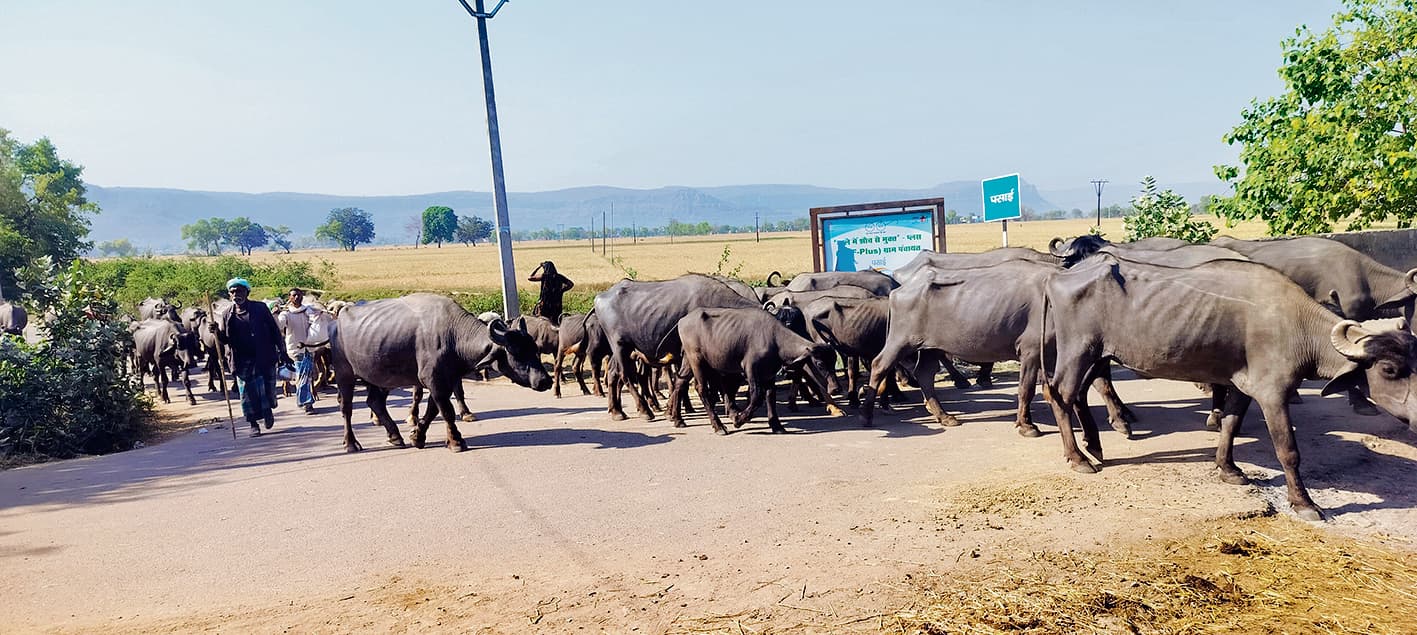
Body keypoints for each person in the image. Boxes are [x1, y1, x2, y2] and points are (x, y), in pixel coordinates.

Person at [215, 278, 293, 437]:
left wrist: (283, 352)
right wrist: (215, 331)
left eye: (240, 291)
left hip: (264, 356)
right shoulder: (227, 315)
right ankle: (253, 424)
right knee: (246, 393)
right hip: (241, 360)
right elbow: (224, 340)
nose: (236, 294)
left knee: (267, 390)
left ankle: (267, 411)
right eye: (233, 292)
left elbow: (274, 330)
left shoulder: (260, 308)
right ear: (229, 294)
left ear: (247, 292)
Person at [276, 287, 325, 414]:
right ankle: (307, 403)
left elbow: (316, 320)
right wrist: (275, 315)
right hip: (295, 348)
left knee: (305, 374)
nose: (297, 297)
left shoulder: (307, 311)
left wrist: (321, 313)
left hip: (309, 347)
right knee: (304, 375)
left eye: (299, 295)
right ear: (290, 298)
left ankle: (302, 400)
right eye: (294, 295)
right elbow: (280, 326)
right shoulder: (286, 314)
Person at [528, 260, 574, 325]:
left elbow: (530, 277)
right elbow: (571, 284)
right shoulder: (559, 277)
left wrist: (539, 267)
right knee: (556, 321)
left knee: (543, 321)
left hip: (545, 303)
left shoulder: (544, 276)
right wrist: (562, 290)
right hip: (556, 303)